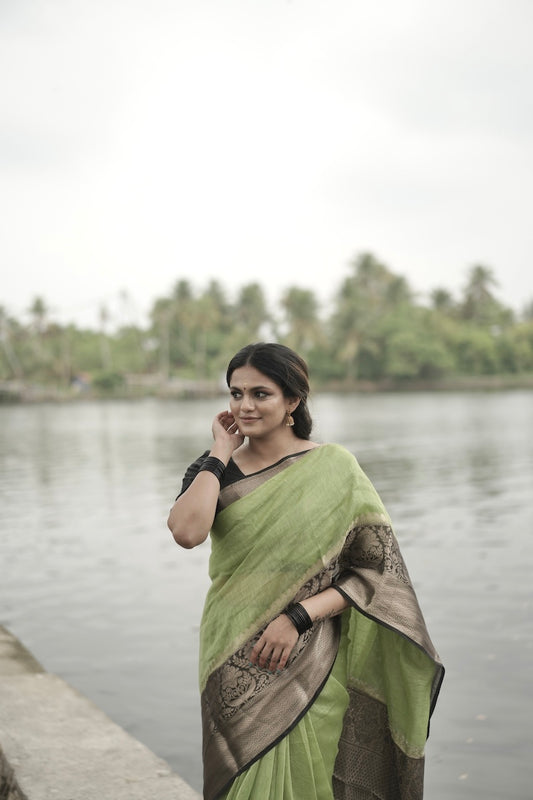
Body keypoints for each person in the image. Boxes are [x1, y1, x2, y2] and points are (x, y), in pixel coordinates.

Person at [168, 342, 443, 800]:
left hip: (310, 651)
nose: (245, 405)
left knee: (309, 778)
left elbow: (377, 572)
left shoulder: (335, 468)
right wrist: (219, 452)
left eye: (261, 394)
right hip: (231, 648)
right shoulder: (215, 470)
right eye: (236, 394)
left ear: (293, 400)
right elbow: (186, 532)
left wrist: (298, 617)